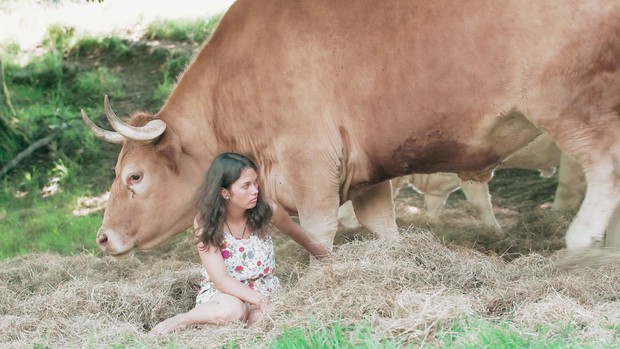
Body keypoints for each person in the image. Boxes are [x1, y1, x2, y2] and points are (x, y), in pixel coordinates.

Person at [150, 152, 328, 334]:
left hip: (264, 287)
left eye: (255, 182)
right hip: (224, 294)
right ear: (224, 192)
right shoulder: (206, 222)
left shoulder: (268, 209)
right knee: (233, 310)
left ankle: (227, 326)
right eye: (246, 186)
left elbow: (295, 231)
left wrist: (322, 254)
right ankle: (183, 320)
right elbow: (220, 279)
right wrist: (257, 299)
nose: (255, 190)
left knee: (264, 320)